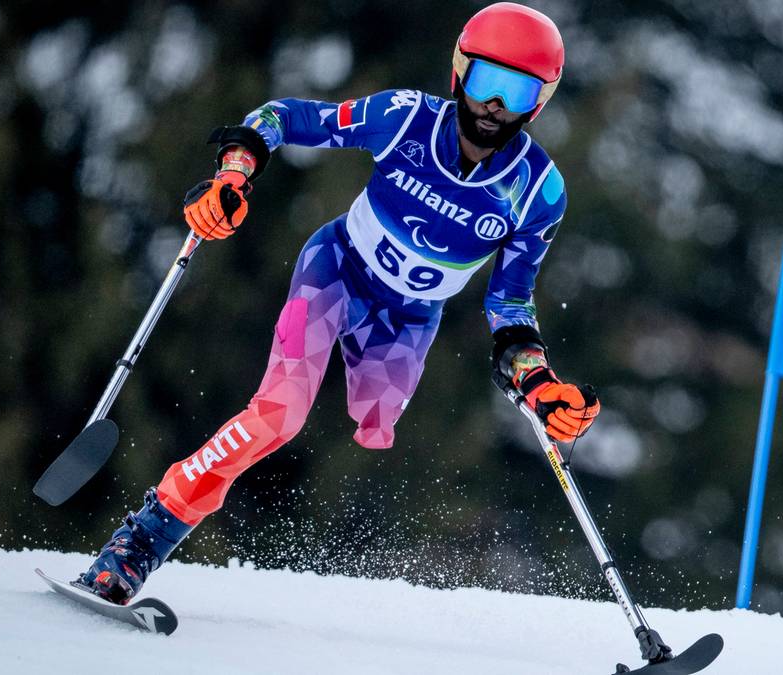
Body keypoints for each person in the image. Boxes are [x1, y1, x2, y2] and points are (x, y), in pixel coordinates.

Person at [77, 2, 600, 605]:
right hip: (334, 274)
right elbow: (286, 117)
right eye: (487, 83)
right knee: (279, 414)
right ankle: (139, 543)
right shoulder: (403, 119)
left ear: (542, 100)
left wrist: (536, 383)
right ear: (460, 71)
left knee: (377, 423)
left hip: (407, 320)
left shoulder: (538, 191)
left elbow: (510, 304)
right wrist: (235, 172)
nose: (495, 108)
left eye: (519, 92)